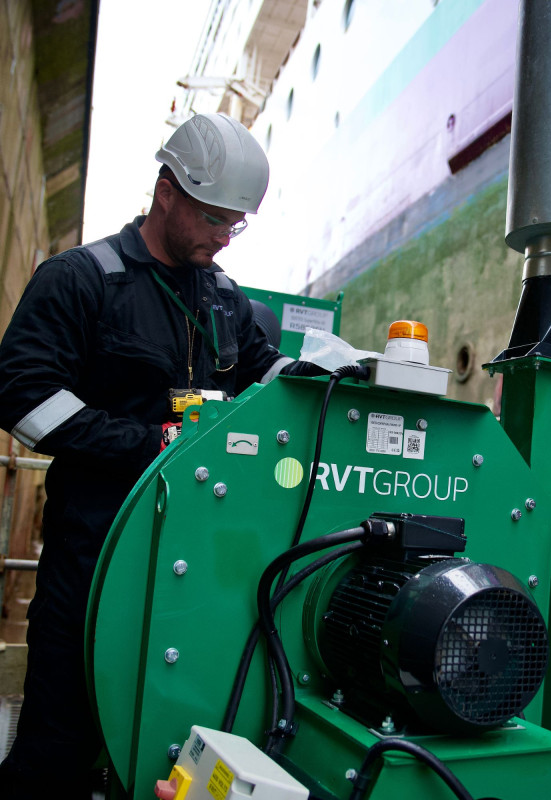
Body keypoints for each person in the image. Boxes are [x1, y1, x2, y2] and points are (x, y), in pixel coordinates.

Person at [0, 113, 322, 798]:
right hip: (93, 553)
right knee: (60, 742)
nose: (222, 236)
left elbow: (264, 372)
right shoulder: (81, 280)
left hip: (191, 566)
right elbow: (23, 396)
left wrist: (329, 374)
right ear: (166, 192)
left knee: (167, 731)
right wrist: (152, 445)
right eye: (213, 218)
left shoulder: (225, 299)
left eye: (236, 223)